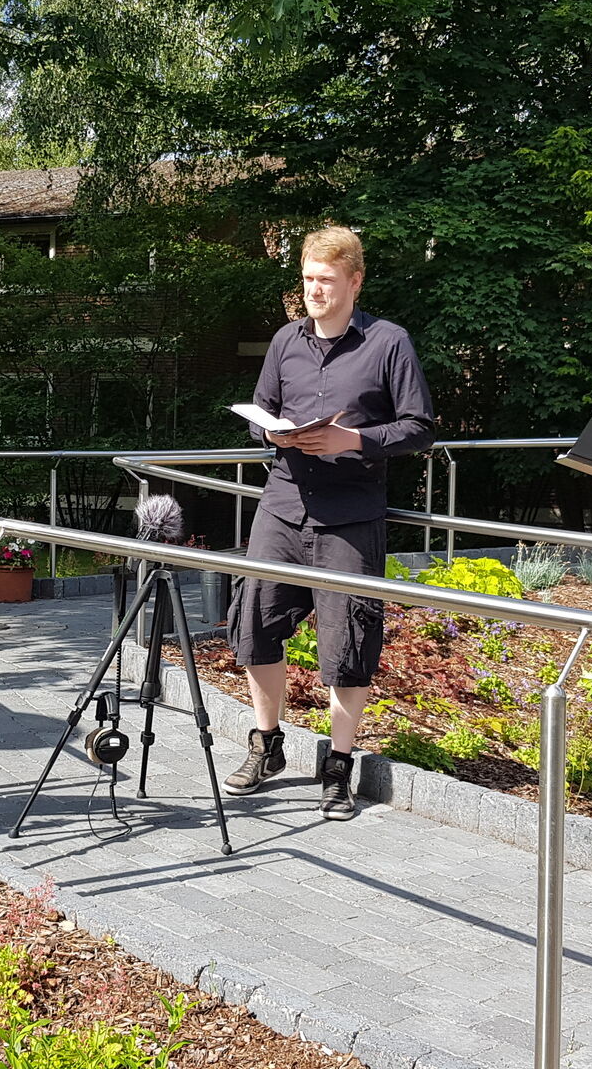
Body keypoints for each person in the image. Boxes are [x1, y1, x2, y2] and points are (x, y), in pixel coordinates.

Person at [222, 226, 436, 820]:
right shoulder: (285, 342)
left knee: (348, 643)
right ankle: (266, 746)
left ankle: (338, 766)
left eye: (326, 280)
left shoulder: (388, 342)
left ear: (355, 281)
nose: (315, 290)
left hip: (350, 516)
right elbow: (257, 416)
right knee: (254, 627)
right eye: (309, 278)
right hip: (283, 505)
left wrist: (356, 438)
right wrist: (268, 429)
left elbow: (419, 427)